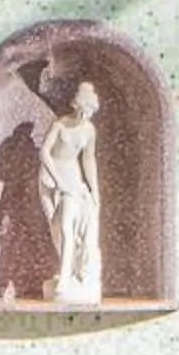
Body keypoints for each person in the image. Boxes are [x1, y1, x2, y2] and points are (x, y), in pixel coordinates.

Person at [38, 80, 105, 305]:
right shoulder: (60, 124)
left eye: (90, 112)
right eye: (84, 111)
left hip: (73, 179)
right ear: (75, 106)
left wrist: (95, 192)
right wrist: (57, 181)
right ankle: (65, 268)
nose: (86, 116)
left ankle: (68, 274)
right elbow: (44, 153)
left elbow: (88, 160)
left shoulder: (89, 130)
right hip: (50, 176)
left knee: (68, 225)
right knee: (55, 227)